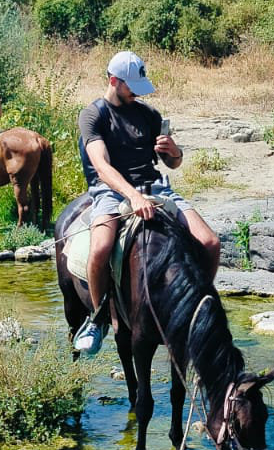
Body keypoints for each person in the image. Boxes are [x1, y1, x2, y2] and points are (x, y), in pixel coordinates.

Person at [73, 50, 221, 357]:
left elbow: (173, 163)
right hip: (109, 191)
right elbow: (101, 166)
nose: (136, 95)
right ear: (114, 81)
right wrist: (133, 196)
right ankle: (98, 319)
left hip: (156, 188)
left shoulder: (148, 115)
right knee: (100, 247)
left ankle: (196, 307)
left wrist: (174, 151)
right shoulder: (94, 116)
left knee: (210, 242)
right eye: (131, 88)